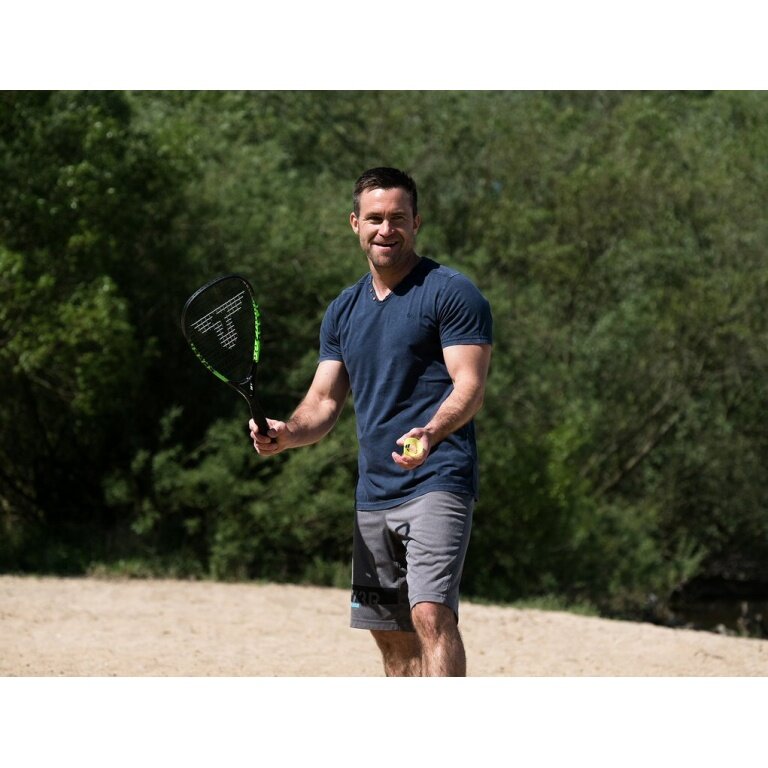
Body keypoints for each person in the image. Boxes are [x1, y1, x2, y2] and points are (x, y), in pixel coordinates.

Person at [250, 167, 493, 676]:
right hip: (373, 492)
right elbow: (323, 402)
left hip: (437, 477)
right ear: (355, 223)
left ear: (416, 222)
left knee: (430, 613)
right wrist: (287, 433)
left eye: (398, 218)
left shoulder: (451, 293)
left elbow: (469, 386)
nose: (387, 229)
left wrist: (430, 432)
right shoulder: (343, 310)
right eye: (375, 218)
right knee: (388, 633)